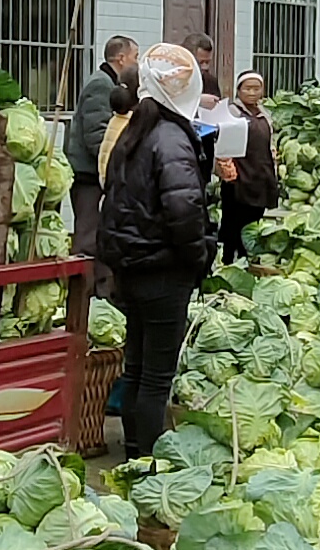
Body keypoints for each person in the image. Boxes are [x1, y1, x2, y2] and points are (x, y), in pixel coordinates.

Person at [99, 43, 219, 460]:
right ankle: (147, 463)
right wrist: (198, 255)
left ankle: (132, 451)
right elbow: (183, 208)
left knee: (135, 366)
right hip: (163, 270)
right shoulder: (171, 137)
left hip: (131, 266)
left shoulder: (135, 130)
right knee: (156, 377)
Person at [70, 36, 138, 257]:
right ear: (121, 58)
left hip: (99, 172)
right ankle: (86, 288)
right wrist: (112, 165)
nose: (137, 63)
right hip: (89, 174)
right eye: (135, 57)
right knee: (89, 236)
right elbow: (96, 134)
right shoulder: (101, 84)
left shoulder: (112, 84)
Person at [215, 69, 281, 261]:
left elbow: (270, 143)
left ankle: (247, 259)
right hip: (239, 177)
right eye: (248, 88)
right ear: (239, 90)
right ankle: (228, 260)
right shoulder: (231, 113)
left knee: (254, 221)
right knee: (233, 222)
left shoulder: (264, 114)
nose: (252, 93)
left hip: (261, 174)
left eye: (256, 89)